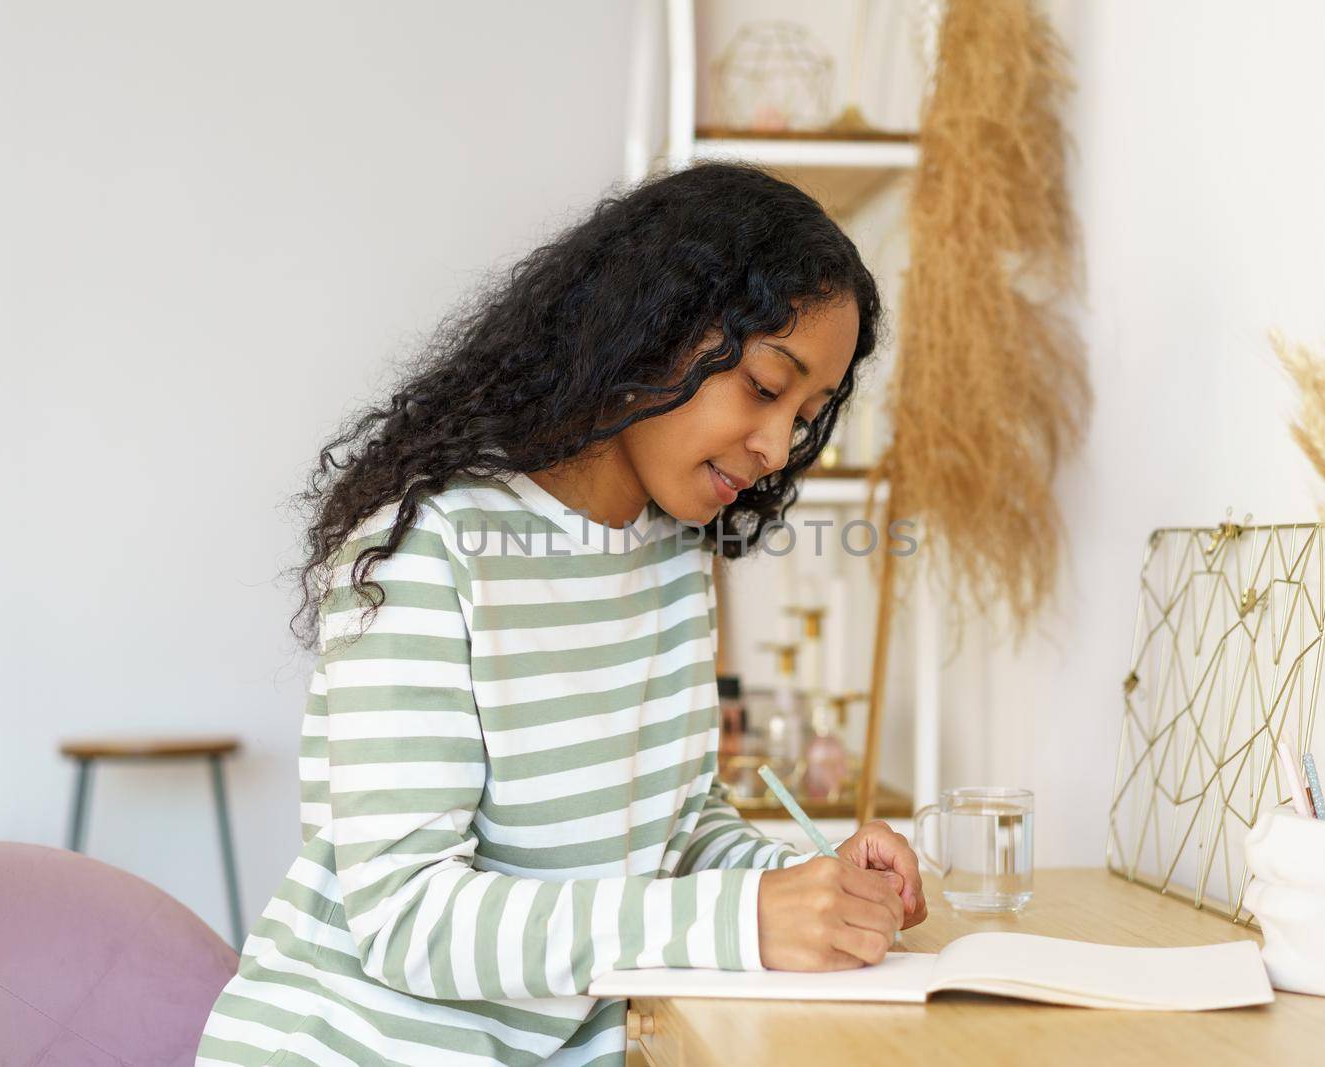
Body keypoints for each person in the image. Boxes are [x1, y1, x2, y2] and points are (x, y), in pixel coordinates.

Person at [196, 162, 927, 1067]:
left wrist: (805, 888)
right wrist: (743, 919)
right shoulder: (430, 543)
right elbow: (409, 920)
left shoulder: (667, 551)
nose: (778, 448)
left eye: (808, 415)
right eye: (766, 388)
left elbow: (676, 830)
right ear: (651, 328)